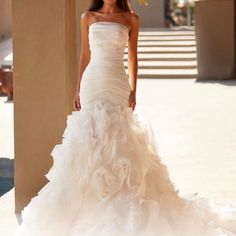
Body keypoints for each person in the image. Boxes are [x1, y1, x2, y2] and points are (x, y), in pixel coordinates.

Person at [15, 0, 236, 235]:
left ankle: (120, 198)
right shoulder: (88, 17)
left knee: (118, 138)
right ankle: (89, 204)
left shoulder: (131, 19)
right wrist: (79, 88)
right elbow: (84, 55)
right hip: (93, 82)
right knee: (90, 137)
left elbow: (132, 56)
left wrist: (134, 89)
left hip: (116, 82)